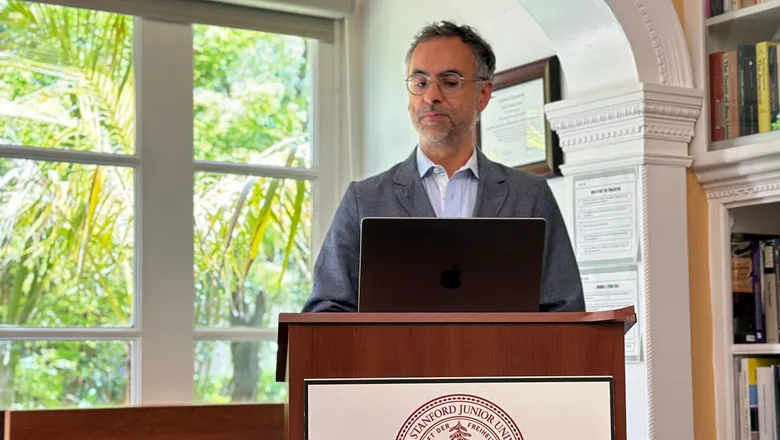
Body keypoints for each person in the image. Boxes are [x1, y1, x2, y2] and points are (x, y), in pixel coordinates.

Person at [301, 20, 585, 313]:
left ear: (483, 95)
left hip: (502, 361)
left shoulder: (530, 197)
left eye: (449, 82)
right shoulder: (364, 200)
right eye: (420, 82)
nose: (431, 96)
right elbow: (325, 312)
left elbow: (565, 311)